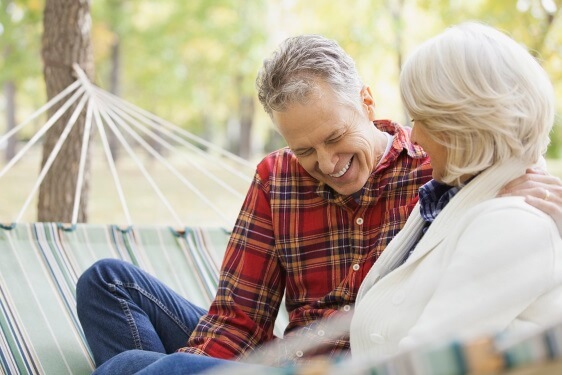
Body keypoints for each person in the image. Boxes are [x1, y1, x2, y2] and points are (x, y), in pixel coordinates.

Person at [77, 33, 562, 374]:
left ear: (368, 104)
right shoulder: (277, 178)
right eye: (305, 149)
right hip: (289, 356)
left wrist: (522, 182)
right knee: (107, 281)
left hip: (360, 361)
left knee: (130, 367)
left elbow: (500, 149)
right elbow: (239, 318)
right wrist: (201, 368)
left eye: (335, 138)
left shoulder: (436, 173)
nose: (327, 163)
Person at [350, 22, 562, 363]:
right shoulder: (449, 197)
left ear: (463, 125)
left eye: (422, 119)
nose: (414, 136)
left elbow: (424, 365)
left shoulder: (512, 221)